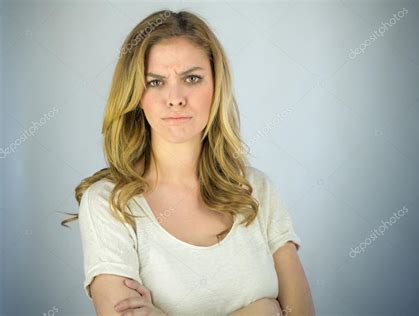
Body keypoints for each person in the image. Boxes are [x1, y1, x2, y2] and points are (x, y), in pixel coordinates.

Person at [61, 9, 315, 316]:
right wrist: (263, 311)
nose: (175, 98)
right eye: (155, 82)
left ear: (216, 86)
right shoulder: (109, 203)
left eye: (192, 78)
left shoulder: (257, 190)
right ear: (135, 95)